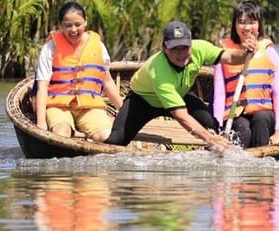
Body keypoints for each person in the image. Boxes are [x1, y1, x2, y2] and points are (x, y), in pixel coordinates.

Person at [103, 20, 256, 152]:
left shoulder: (200, 48)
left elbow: (230, 57)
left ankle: (216, 153)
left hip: (180, 94)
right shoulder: (158, 72)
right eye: (175, 48)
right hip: (143, 101)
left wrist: (244, 52)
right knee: (115, 141)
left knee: (212, 125)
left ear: (191, 44)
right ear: (164, 48)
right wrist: (209, 138)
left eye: (185, 47)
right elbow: (181, 116)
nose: (181, 54)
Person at [33, 1, 123, 142]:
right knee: (61, 132)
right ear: (61, 25)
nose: (73, 30)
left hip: (89, 107)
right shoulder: (50, 47)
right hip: (58, 106)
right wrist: (41, 122)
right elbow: (42, 87)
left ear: (85, 22)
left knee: (106, 137)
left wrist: (124, 112)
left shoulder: (98, 46)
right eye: (68, 25)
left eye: (78, 25)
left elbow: (108, 83)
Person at [209, 0, 279, 148]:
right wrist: (218, 128)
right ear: (235, 25)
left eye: (252, 22)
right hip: (235, 114)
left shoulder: (270, 52)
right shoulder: (224, 54)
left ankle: (261, 160)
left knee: (261, 119)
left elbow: (278, 93)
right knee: (243, 130)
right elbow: (220, 94)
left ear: (259, 24)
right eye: (242, 22)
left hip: (264, 113)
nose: (247, 27)